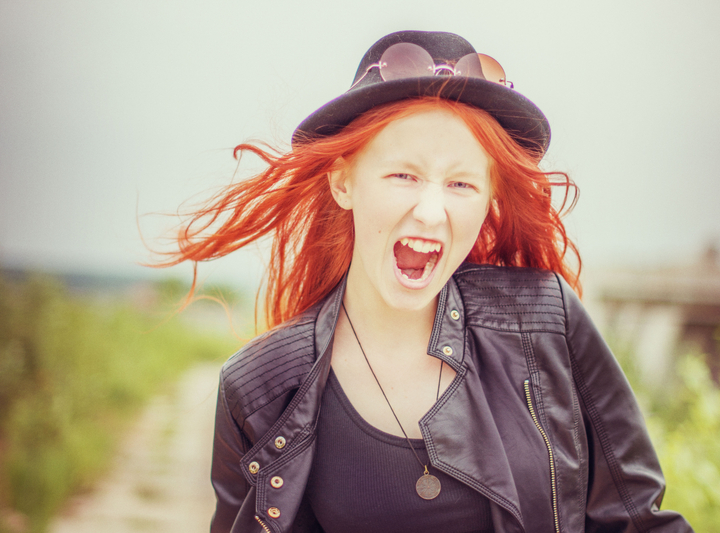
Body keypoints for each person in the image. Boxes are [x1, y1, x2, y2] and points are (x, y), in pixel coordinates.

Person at [161, 31, 692, 533]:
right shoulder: (259, 389)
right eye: (404, 175)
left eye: (461, 183)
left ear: (488, 198)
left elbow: (640, 521)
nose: (432, 211)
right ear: (344, 182)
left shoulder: (545, 320)